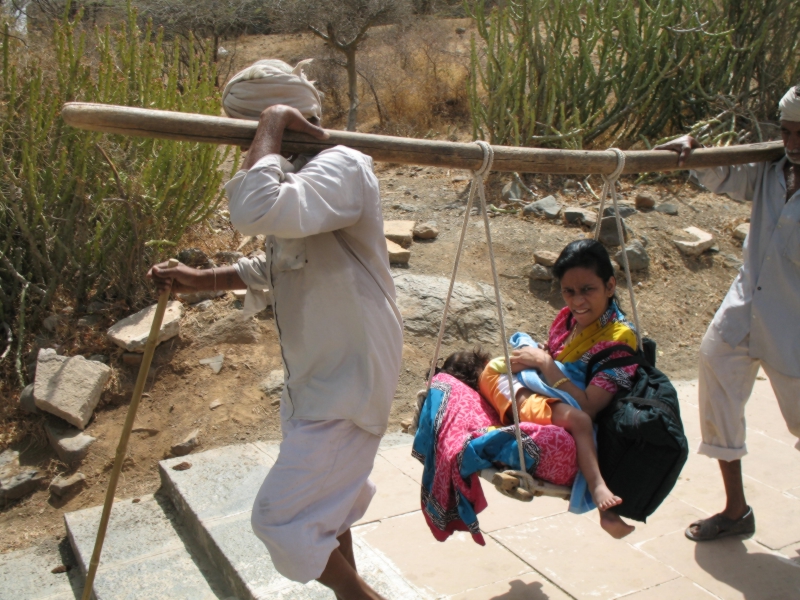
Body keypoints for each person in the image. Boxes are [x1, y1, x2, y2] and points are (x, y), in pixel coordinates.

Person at [148, 59, 403, 599]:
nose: (247, 153)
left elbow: (256, 209)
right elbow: (279, 263)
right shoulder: (302, 180)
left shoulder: (343, 167)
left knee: (279, 519)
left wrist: (270, 121)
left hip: (349, 377)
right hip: (315, 376)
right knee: (325, 507)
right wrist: (202, 279)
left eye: (251, 139)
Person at [654, 85, 800, 542]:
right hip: (747, 305)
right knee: (715, 369)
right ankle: (736, 510)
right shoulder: (772, 171)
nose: (792, 142)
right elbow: (723, 175)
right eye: (786, 131)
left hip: (794, 326)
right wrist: (693, 152)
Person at [439, 239, 640, 538]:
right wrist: (543, 361)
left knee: (580, 419)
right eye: (569, 291)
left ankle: (601, 496)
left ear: (610, 286)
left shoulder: (619, 340)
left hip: (544, 389)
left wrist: (546, 364)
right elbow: (557, 362)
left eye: (588, 289)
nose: (577, 301)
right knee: (575, 419)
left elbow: (589, 406)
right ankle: (599, 494)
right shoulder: (568, 320)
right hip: (514, 384)